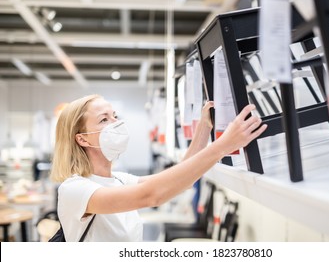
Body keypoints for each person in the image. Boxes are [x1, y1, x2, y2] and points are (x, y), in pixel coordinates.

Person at [50, 94, 267, 241]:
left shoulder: (118, 180)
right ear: (82, 139)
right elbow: (151, 196)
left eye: (114, 115)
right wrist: (223, 146)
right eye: (104, 119)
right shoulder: (74, 189)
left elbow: (181, 178)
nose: (115, 123)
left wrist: (204, 127)